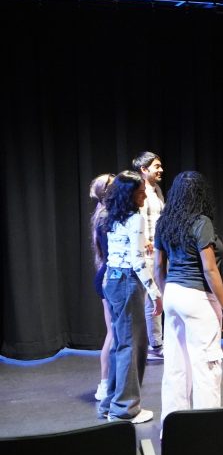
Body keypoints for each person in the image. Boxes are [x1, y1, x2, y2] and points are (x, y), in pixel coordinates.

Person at [153, 172, 223, 423]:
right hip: (197, 298)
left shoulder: (164, 222)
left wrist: (165, 295)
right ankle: (206, 430)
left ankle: (171, 429)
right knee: (206, 367)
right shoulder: (201, 222)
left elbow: (158, 267)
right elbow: (210, 270)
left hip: (173, 294)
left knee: (176, 366)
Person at [98, 171, 161, 424]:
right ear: (129, 194)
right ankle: (124, 409)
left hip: (112, 280)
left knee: (120, 344)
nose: (145, 195)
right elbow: (136, 261)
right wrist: (155, 293)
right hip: (126, 282)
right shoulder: (135, 218)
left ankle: (110, 404)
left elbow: (119, 251)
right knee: (131, 346)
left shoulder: (111, 215)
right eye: (140, 191)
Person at [134, 151, 165, 361]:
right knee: (151, 299)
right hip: (147, 254)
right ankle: (155, 345)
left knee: (158, 297)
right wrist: (144, 239)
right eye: (156, 166)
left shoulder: (157, 190)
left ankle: (157, 342)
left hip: (159, 251)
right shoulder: (140, 191)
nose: (160, 169)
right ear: (144, 170)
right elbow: (136, 217)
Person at [89, 174, 114, 402]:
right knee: (113, 334)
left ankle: (111, 382)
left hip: (107, 276)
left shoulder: (106, 214)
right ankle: (104, 384)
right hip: (107, 278)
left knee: (115, 333)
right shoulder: (106, 217)